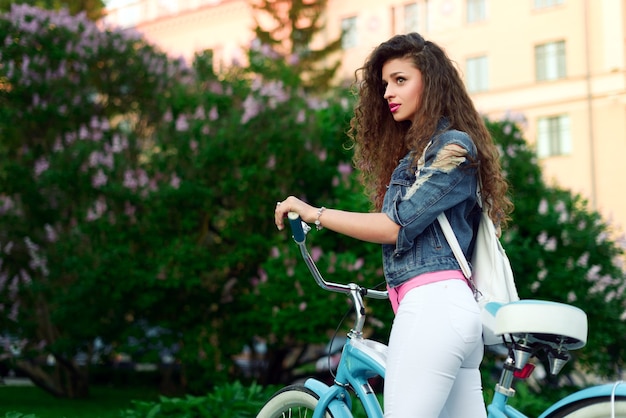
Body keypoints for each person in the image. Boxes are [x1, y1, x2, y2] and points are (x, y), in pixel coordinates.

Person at [274, 32, 512, 417]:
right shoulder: (417, 157)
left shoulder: (451, 147)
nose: (387, 92)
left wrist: (315, 214)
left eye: (400, 80)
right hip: (450, 316)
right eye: (385, 83)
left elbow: (397, 226)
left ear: (430, 84)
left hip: (434, 311)